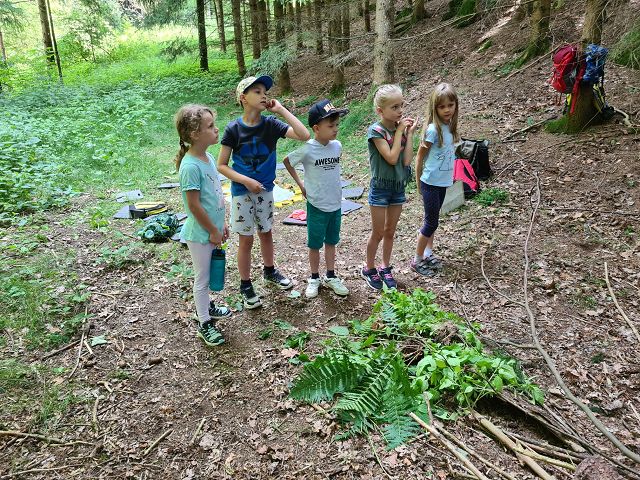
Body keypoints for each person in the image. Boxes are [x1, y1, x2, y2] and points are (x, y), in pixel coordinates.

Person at [217, 75, 310, 309]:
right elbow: (222, 165)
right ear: (243, 98)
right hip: (242, 192)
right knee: (246, 239)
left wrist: (281, 110)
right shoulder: (233, 129)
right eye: (257, 92)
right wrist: (246, 181)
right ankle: (245, 284)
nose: (264, 95)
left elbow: (304, 135)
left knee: (266, 233)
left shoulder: (271, 124)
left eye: (265, 92)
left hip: (266, 191)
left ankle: (269, 271)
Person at [175, 104, 231, 347]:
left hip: (211, 230)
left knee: (208, 275)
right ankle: (204, 323)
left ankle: (206, 307)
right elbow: (194, 206)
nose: (216, 129)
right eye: (210, 126)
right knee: (202, 279)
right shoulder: (190, 166)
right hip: (200, 234)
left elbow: (215, 196)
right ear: (195, 134)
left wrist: (222, 224)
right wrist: (212, 230)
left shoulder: (207, 158)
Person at [283, 99, 350, 299]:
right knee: (314, 244)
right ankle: (314, 278)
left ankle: (331, 276)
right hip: (316, 205)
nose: (335, 129)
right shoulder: (307, 149)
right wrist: (301, 185)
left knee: (331, 241)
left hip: (335, 204)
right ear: (316, 128)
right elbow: (287, 161)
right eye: (331, 126)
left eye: (337, 124)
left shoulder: (337, 146)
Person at [361, 84, 417, 290]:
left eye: (401, 105)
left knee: (390, 231)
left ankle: (385, 267)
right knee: (377, 233)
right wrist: (400, 131)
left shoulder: (399, 129)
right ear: (380, 110)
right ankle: (369, 268)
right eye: (394, 107)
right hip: (381, 187)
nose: (400, 111)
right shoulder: (376, 131)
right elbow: (392, 158)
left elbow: (406, 161)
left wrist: (409, 134)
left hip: (398, 186)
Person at [411, 83, 460, 276]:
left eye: (450, 105)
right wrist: (418, 182)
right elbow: (419, 157)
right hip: (430, 183)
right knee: (431, 223)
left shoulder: (450, 127)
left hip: (442, 183)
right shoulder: (433, 130)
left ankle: (428, 252)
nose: (447, 110)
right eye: (442, 106)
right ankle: (416, 259)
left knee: (433, 220)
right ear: (435, 108)